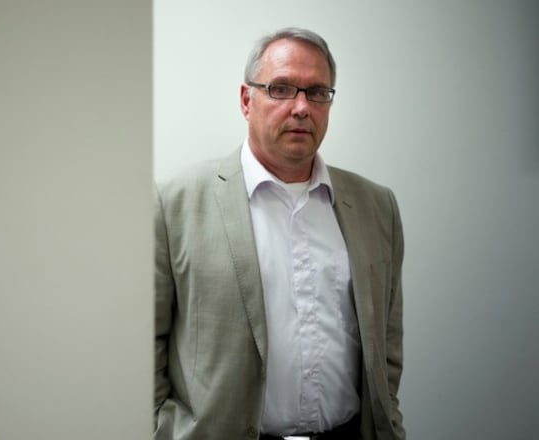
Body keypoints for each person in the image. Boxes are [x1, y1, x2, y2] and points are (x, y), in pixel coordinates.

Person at [154, 27, 405, 440]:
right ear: (245, 100)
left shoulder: (376, 206)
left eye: (317, 92)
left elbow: (387, 341)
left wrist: (388, 417)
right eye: (282, 88)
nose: (302, 107)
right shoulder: (173, 203)